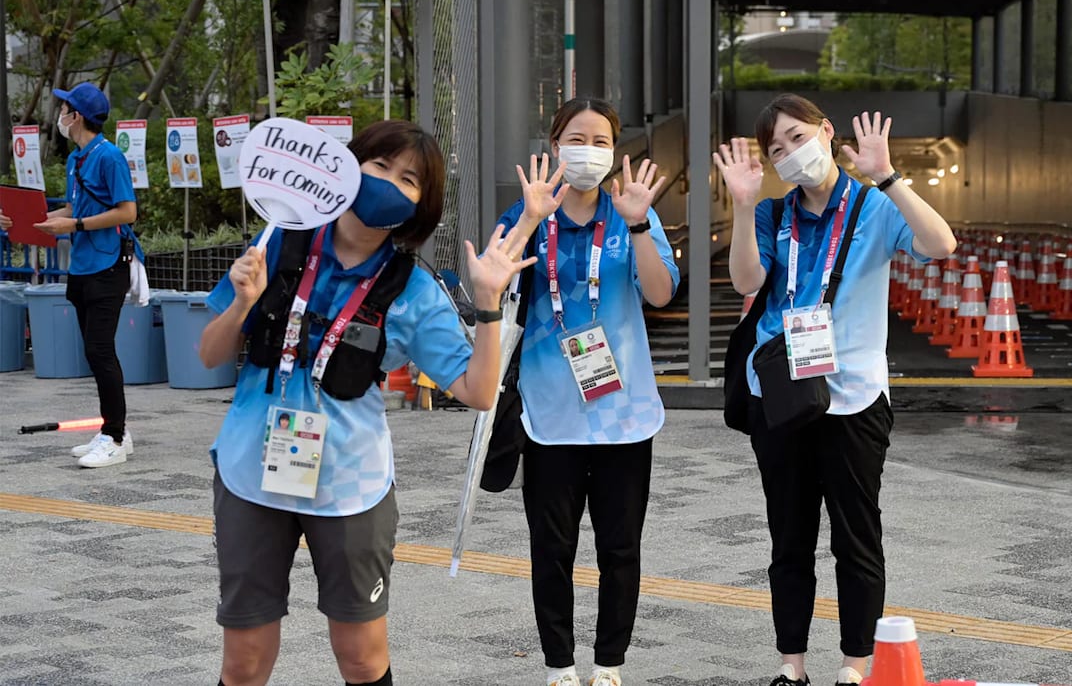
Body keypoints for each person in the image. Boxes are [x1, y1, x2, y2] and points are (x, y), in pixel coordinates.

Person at [197, 119, 537, 686]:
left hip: (351, 486)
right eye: (378, 165)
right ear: (344, 168)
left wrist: (487, 304)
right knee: (244, 660)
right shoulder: (279, 241)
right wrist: (241, 304)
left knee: (361, 657)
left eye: (409, 180)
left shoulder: (414, 291)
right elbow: (209, 354)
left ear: (419, 207)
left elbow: (479, 393)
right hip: (249, 475)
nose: (388, 182)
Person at [713, 94, 956, 686]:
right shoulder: (773, 213)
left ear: (826, 132)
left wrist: (890, 177)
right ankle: (791, 667)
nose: (791, 154)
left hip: (854, 397)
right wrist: (744, 207)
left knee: (856, 536)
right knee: (788, 537)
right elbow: (746, 279)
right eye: (777, 149)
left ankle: (854, 665)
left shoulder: (874, 206)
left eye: (798, 137)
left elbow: (939, 244)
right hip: (782, 394)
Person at [497, 98, 680, 686]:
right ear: (555, 145)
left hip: (624, 416)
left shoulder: (632, 213)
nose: (590, 151)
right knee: (551, 548)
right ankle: (559, 665)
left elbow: (659, 294)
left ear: (614, 152)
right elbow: (491, 287)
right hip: (549, 414)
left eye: (601, 141)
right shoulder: (527, 213)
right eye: (578, 138)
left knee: (620, 548)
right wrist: (528, 219)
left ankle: (608, 664)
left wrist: (638, 223)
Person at [0, 82, 142, 468]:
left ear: (75, 116)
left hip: (107, 265)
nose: (60, 115)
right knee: (94, 352)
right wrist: (29, 221)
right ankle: (117, 430)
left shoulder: (109, 156)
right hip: (81, 266)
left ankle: (113, 435)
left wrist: (75, 226)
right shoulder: (76, 159)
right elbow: (72, 209)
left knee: (100, 350)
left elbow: (127, 212)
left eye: (64, 109)